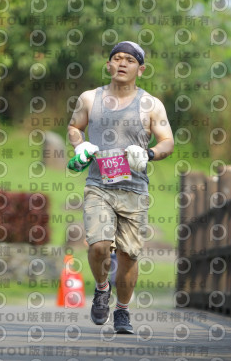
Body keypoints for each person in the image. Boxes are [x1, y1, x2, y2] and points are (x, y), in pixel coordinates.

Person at [67, 41, 174, 333]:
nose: (122, 63)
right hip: (98, 184)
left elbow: (168, 141)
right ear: (109, 65)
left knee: (128, 255)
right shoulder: (90, 98)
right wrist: (81, 144)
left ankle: (123, 311)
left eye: (130, 60)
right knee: (99, 244)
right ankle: (102, 289)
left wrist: (149, 154)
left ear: (140, 68)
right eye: (117, 58)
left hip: (134, 189)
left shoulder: (151, 104)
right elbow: (74, 127)